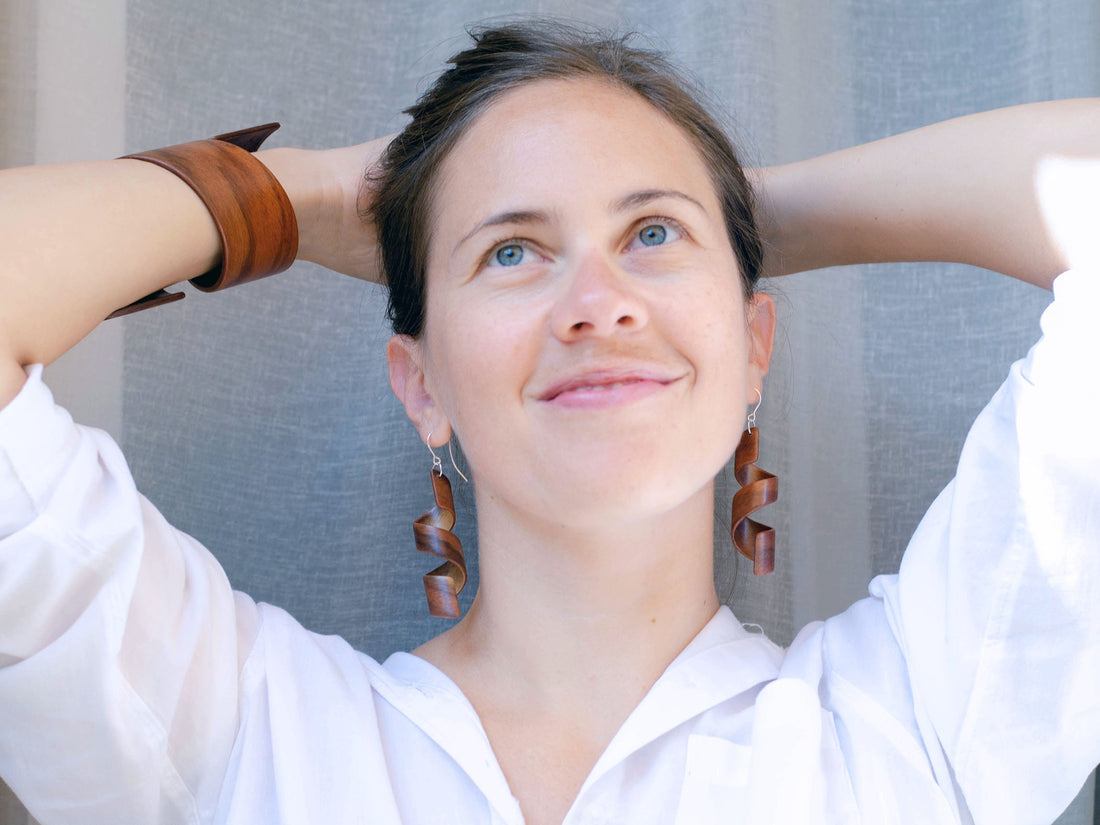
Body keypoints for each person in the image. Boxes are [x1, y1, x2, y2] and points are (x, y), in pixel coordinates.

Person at [0, 21, 1097, 825]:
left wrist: (740, 212)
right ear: (418, 382)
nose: (599, 301)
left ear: (753, 346)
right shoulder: (234, 734)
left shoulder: (921, 719)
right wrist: (296, 198)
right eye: (511, 251)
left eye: (650, 238)